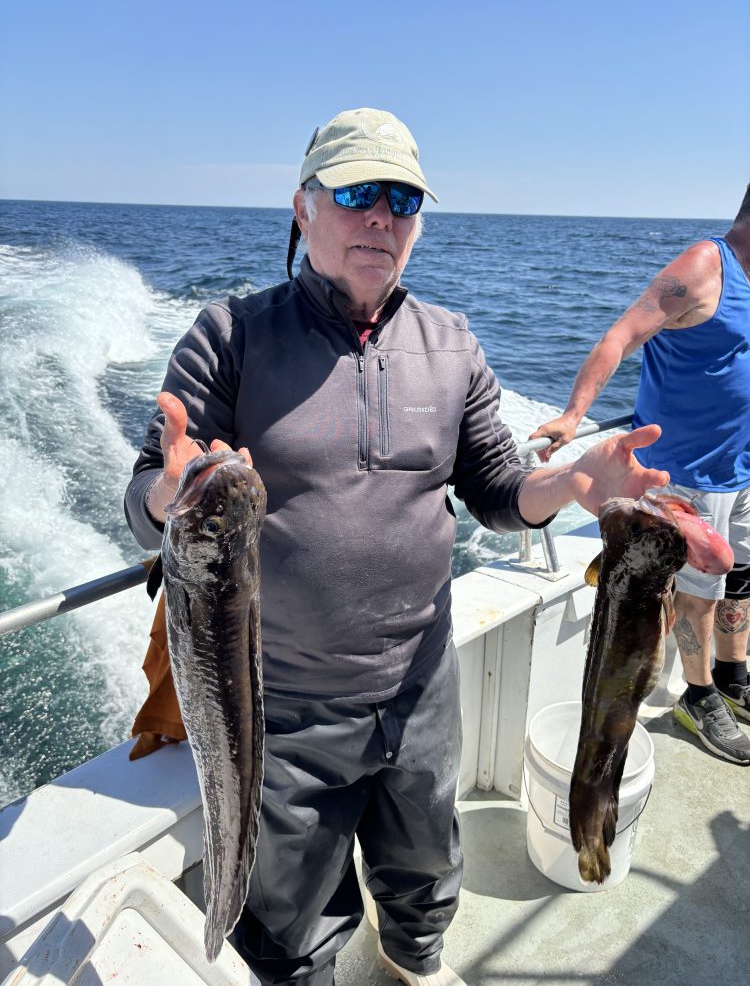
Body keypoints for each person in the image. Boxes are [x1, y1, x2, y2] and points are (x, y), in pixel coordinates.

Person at [125, 107, 669, 986]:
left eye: (404, 198)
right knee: (293, 922)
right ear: (302, 207)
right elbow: (151, 498)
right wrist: (166, 492)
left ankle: (415, 960)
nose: (381, 215)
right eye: (356, 192)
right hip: (281, 711)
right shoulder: (229, 338)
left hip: (422, 689)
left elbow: (496, 487)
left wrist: (570, 485)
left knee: (427, 875)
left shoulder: (452, 343)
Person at [530, 186, 750, 767]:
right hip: (682, 472)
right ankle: (698, 696)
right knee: (699, 594)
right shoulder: (704, 267)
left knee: (743, 580)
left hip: (742, 467)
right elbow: (621, 336)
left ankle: (732, 676)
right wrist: (575, 415)